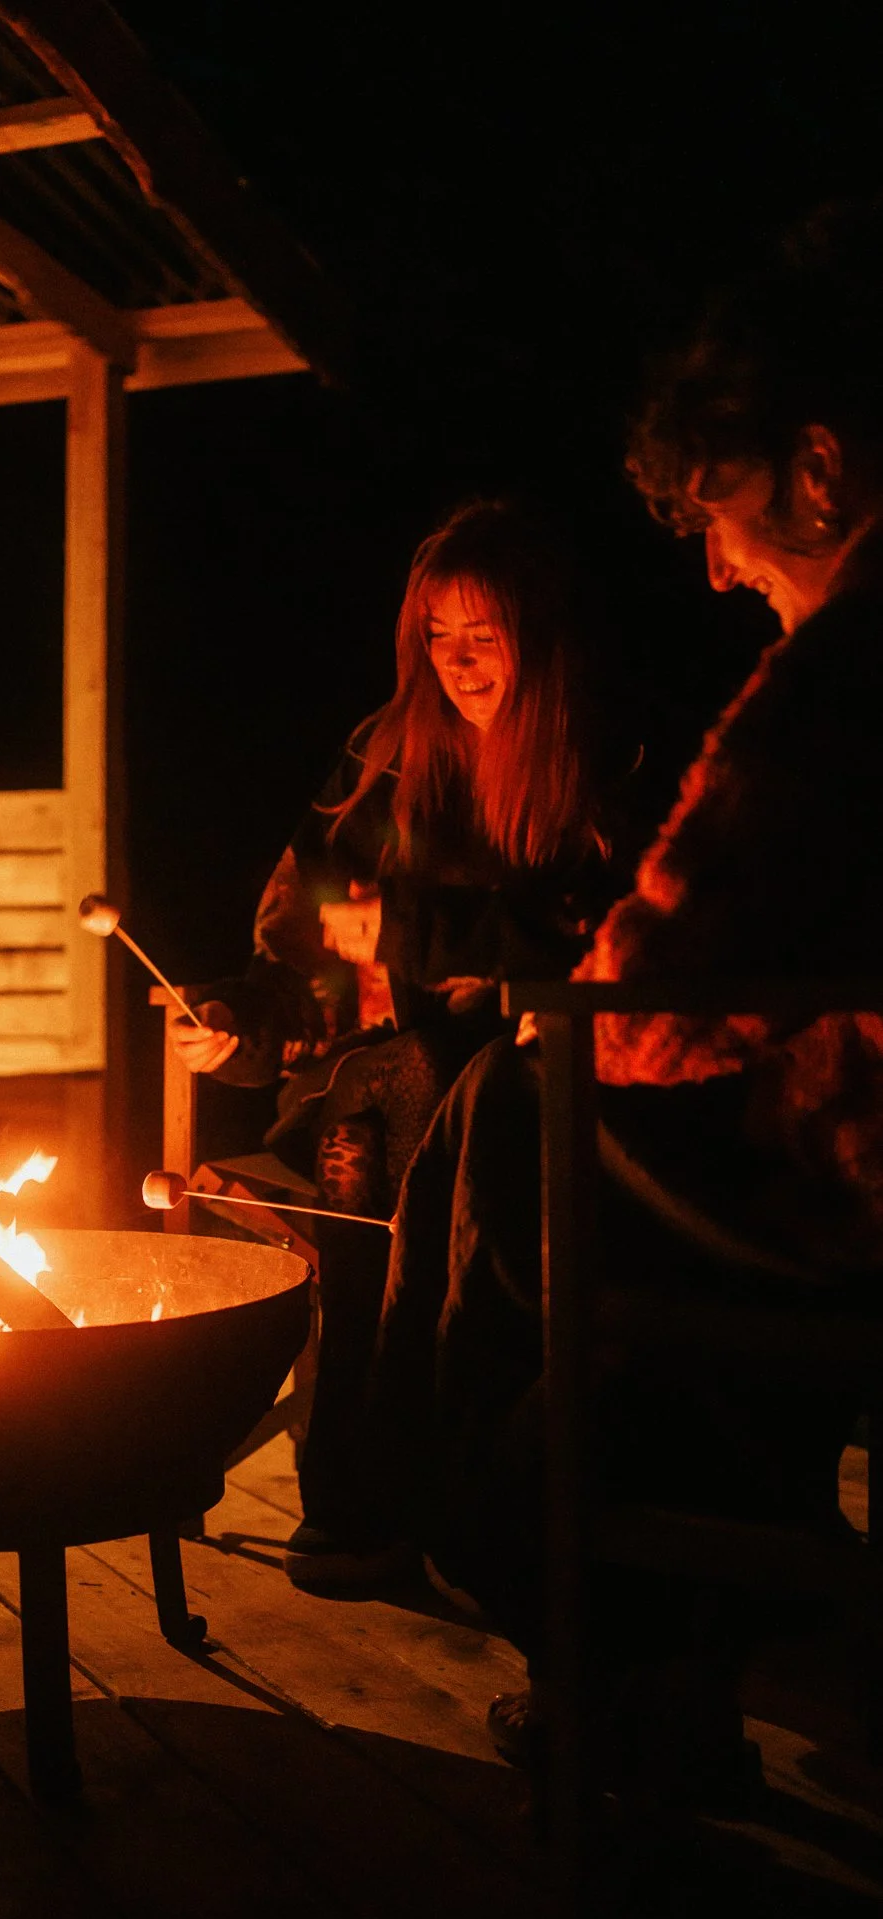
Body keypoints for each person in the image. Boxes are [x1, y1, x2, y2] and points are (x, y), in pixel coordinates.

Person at [377, 197, 883, 1797]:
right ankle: (664, 1635)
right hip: (835, 1137)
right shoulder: (405, 768)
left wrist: (547, 1014)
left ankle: (564, 1617)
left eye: (722, 514)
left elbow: (655, 995)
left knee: (507, 1128)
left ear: (819, 468)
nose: (721, 567)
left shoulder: (852, 670)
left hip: (852, 1189)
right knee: (504, 1127)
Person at [169, 500, 628, 1587]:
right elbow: (303, 959)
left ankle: (427, 1504)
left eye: (485, 635)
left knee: (425, 1135)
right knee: (373, 1143)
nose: (459, 662)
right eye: (438, 634)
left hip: (548, 1087)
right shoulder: (383, 767)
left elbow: (606, 940)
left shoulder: (601, 766)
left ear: (539, 635)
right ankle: (360, 1501)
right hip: (382, 1082)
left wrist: (429, 933)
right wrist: (237, 1026)